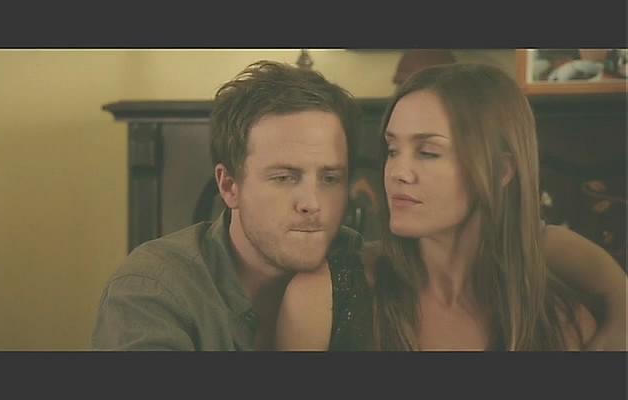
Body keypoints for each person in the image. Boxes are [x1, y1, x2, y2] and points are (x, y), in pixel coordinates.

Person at [92, 60, 626, 351]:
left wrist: (621, 304)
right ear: (228, 186)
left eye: (330, 178)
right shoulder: (157, 288)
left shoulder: (352, 257)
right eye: (284, 177)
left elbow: (535, 240)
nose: (311, 203)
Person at [276, 63, 627, 351]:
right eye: (392, 150)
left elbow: (539, 241)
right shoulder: (325, 299)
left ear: (501, 171)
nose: (397, 172)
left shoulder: (560, 323)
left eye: (428, 152)